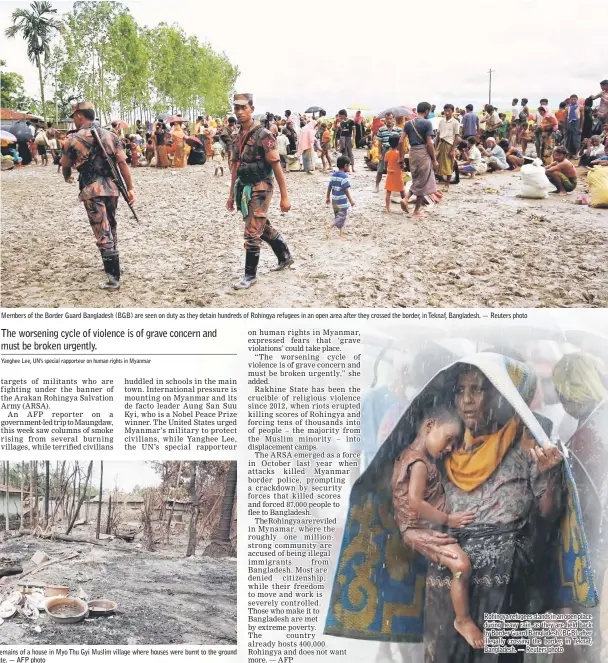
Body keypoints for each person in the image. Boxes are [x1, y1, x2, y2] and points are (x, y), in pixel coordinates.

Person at [326, 353, 587, 663]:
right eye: (460, 390)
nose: (466, 400)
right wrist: (411, 533)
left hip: (505, 585)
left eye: (477, 390)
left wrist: (551, 475)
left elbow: (548, 514)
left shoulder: (529, 440)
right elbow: (397, 493)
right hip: (447, 583)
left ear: (500, 394)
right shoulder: (443, 441)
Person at [392, 404, 483, 650]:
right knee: (462, 566)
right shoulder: (419, 463)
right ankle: (462, 619)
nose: (450, 448)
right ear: (430, 426)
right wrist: (448, 520)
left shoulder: (408, 455)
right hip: (419, 530)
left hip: (416, 529)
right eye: (449, 440)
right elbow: (415, 502)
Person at [552, 352, 608, 663]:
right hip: (601, 542)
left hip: (593, 546)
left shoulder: (587, 438)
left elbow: (583, 507)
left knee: (586, 630)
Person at [60, 101, 135, 290]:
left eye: (74, 117)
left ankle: (113, 279)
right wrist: (131, 188)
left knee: (101, 229)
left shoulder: (72, 139)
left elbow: (66, 165)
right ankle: (113, 268)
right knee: (111, 224)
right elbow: (123, 164)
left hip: (91, 189)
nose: (74, 121)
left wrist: (67, 177)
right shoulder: (110, 135)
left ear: (79, 115)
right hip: (112, 187)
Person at [227, 93, 293, 289]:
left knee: (252, 230)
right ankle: (285, 256)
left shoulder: (263, 135)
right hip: (244, 187)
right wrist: (231, 194)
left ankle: (250, 276)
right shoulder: (237, 136)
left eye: (243, 108)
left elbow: (276, 166)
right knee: (260, 226)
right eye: (236, 108)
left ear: (252, 109)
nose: (239, 112)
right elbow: (235, 167)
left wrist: (285, 197)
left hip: (262, 186)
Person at [401, 102, 438, 218]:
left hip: (412, 153)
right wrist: (434, 159)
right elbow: (429, 143)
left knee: (416, 179)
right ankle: (412, 205)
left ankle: (408, 200)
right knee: (424, 181)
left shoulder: (408, 123)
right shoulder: (427, 123)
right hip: (423, 153)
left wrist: (401, 158)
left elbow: (401, 141)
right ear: (427, 111)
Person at [325, 155, 355, 239]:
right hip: (342, 202)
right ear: (345, 166)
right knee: (342, 217)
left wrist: (327, 197)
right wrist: (351, 200)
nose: (349, 167)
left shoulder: (334, 175)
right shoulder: (344, 177)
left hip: (334, 201)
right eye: (349, 165)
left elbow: (329, 187)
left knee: (338, 216)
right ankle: (330, 226)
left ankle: (341, 234)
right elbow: (346, 190)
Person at [435, 104, 461, 191]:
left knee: (448, 164)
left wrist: (452, 150)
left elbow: (456, 137)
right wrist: (436, 146)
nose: (447, 113)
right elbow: (438, 135)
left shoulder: (455, 122)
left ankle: (447, 184)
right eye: (445, 111)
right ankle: (436, 181)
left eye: (449, 111)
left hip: (449, 144)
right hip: (440, 144)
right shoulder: (441, 122)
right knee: (435, 163)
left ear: (452, 111)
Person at [375, 112, 402, 193]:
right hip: (385, 150)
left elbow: (401, 143)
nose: (389, 120)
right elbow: (379, 143)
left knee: (395, 170)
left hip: (395, 151)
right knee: (380, 169)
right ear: (385, 119)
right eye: (387, 119)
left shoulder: (398, 130)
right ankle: (377, 186)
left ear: (393, 119)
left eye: (391, 118)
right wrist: (379, 153)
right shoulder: (381, 129)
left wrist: (401, 154)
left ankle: (395, 187)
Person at [383, 134, 408, 213]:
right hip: (398, 174)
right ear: (398, 144)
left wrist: (388, 169)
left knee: (388, 191)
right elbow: (402, 164)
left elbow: (385, 165)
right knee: (402, 191)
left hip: (390, 174)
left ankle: (387, 208)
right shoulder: (399, 154)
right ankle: (405, 206)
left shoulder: (387, 153)